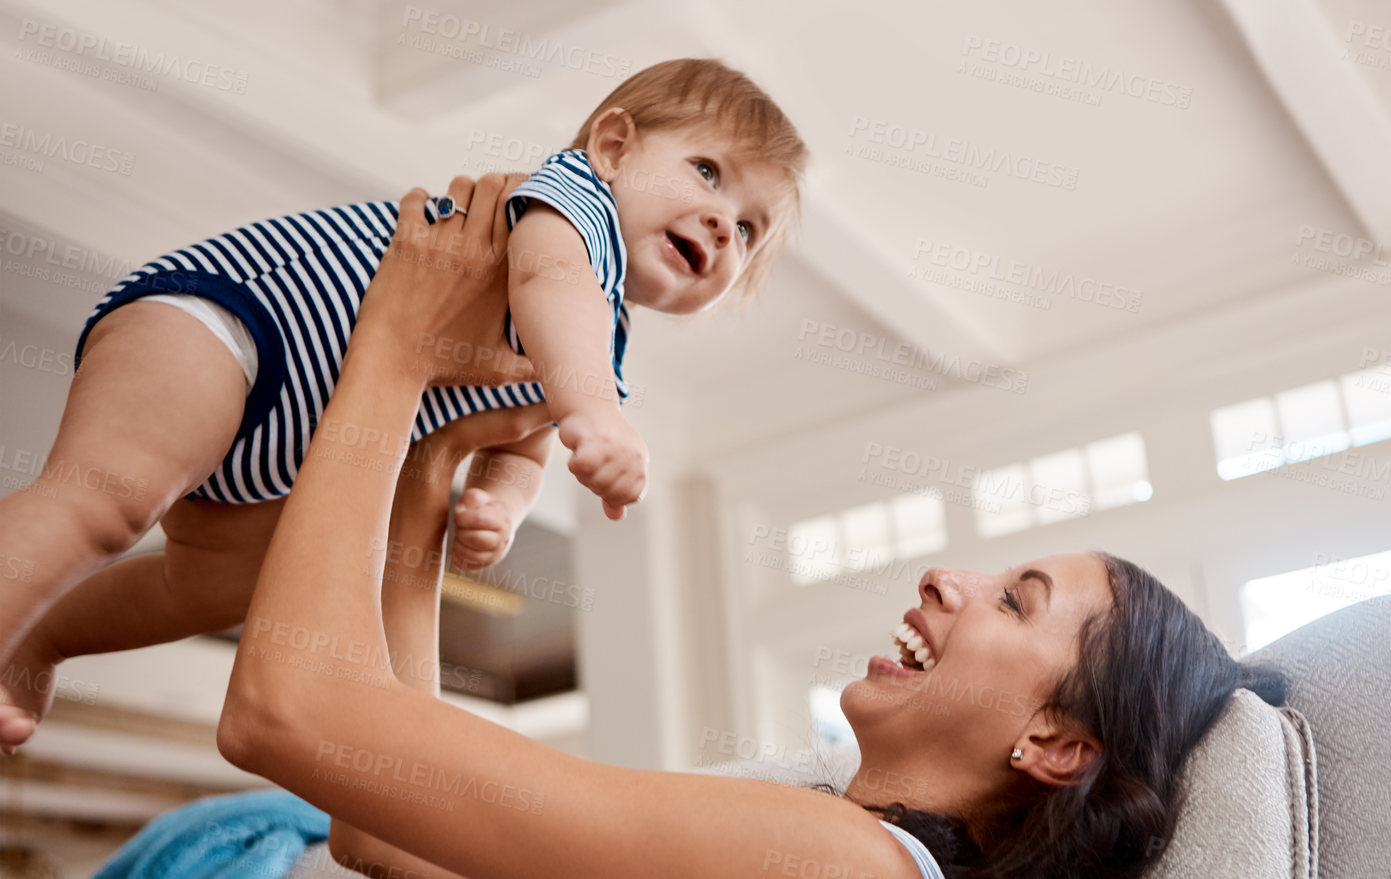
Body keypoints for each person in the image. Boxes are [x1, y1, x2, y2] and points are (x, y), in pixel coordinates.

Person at [166, 175, 1287, 879]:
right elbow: (380, 828)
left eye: (1015, 599)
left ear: (1054, 739)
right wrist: (431, 457)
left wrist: (392, 350)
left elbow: (288, 713)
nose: (950, 577)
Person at [0, 58, 806, 753]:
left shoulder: (600, 349)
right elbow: (549, 286)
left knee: (214, 585)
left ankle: (48, 632)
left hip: (271, 453)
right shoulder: (568, 212)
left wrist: (503, 501)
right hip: (230, 327)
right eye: (707, 172)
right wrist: (594, 410)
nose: (722, 224)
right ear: (614, 146)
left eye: (749, 229)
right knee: (108, 503)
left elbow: (520, 442)